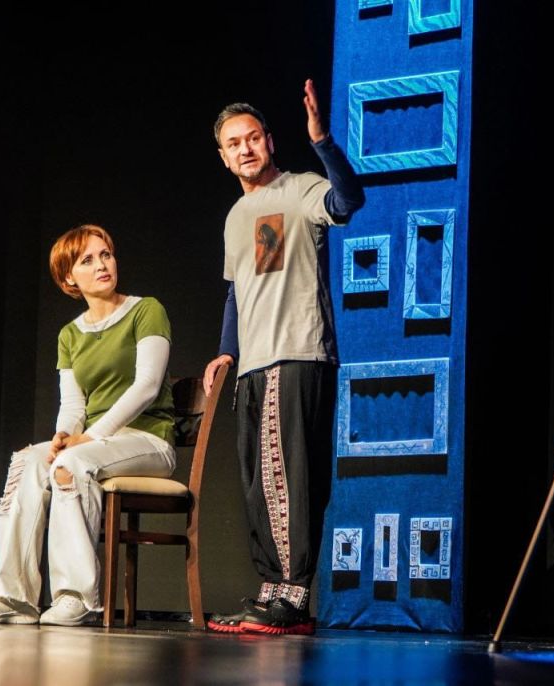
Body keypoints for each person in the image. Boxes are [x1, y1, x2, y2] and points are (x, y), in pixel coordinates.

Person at [204, 80, 365, 635]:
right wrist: (226, 352)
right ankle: (273, 592)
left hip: (295, 352)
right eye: (233, 143)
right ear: (223, 157)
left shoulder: (300, 189)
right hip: (254, 363)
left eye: (253, 138)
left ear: (270, 141)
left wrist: (322, 142)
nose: (245, 149)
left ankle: (293, 595)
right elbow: (236, 291)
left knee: (289, 480)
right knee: (259, 482)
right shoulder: (235, 215)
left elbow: (348, 201)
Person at [0, 225, 176, 626]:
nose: (102, 265)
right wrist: (63, 436)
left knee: (71, 465)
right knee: (29, 462)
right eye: (87, 260)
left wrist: (89, 438)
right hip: (95, 444)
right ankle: (13, 596)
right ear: (68, 279)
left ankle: (77, 597)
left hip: (148, 441)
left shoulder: (146, 310)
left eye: (106, 255)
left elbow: (147, 386)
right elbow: (74, 404)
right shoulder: (70, 334)